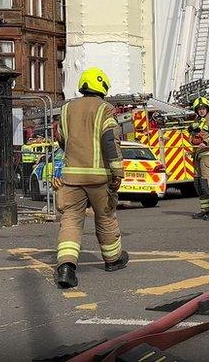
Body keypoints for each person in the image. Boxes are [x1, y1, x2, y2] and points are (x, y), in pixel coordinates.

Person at [53, 67, 129, 289]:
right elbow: (109, 143)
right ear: (103, 88)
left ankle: (66, 268)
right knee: (105, 217)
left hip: (72, 179)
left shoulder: (66, 109)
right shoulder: (105, 110)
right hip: (99, 179)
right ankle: (113, 260)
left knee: (70, 221)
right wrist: (117, 173)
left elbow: (61, 141)